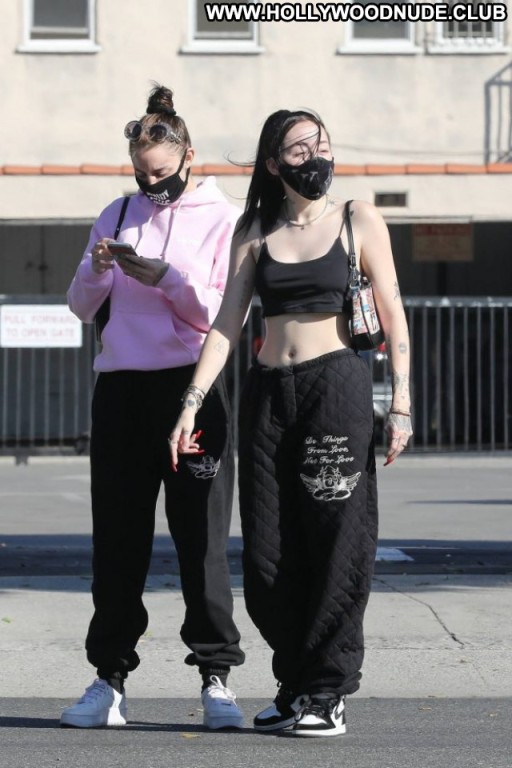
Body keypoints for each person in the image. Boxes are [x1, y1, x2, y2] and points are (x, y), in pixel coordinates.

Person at [170, 108, 413, 737]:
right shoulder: (255, 228)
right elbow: (227, 323)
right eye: (300, 149)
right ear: (274, 163)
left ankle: (327, 690)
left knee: (336, 538)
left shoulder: (358, 219)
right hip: (269, 393)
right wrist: (192, 400)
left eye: (322, 144)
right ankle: (296, 681)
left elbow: (392, 310)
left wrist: (402, 402)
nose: (316, 156)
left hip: (335, 387)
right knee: (268, 548)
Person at [61, 84, 245, 730]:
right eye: (142, 174)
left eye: (161, 173)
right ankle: (108, 679)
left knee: (201, 537)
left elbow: (220, 316)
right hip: (121, 389)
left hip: (191, 388)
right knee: (117, 539)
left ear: (189, 155)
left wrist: (166, 278)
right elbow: (81, 307)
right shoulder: (117, 213)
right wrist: (98, 266)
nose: (151, 184)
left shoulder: (223, 219)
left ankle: (217, 677)